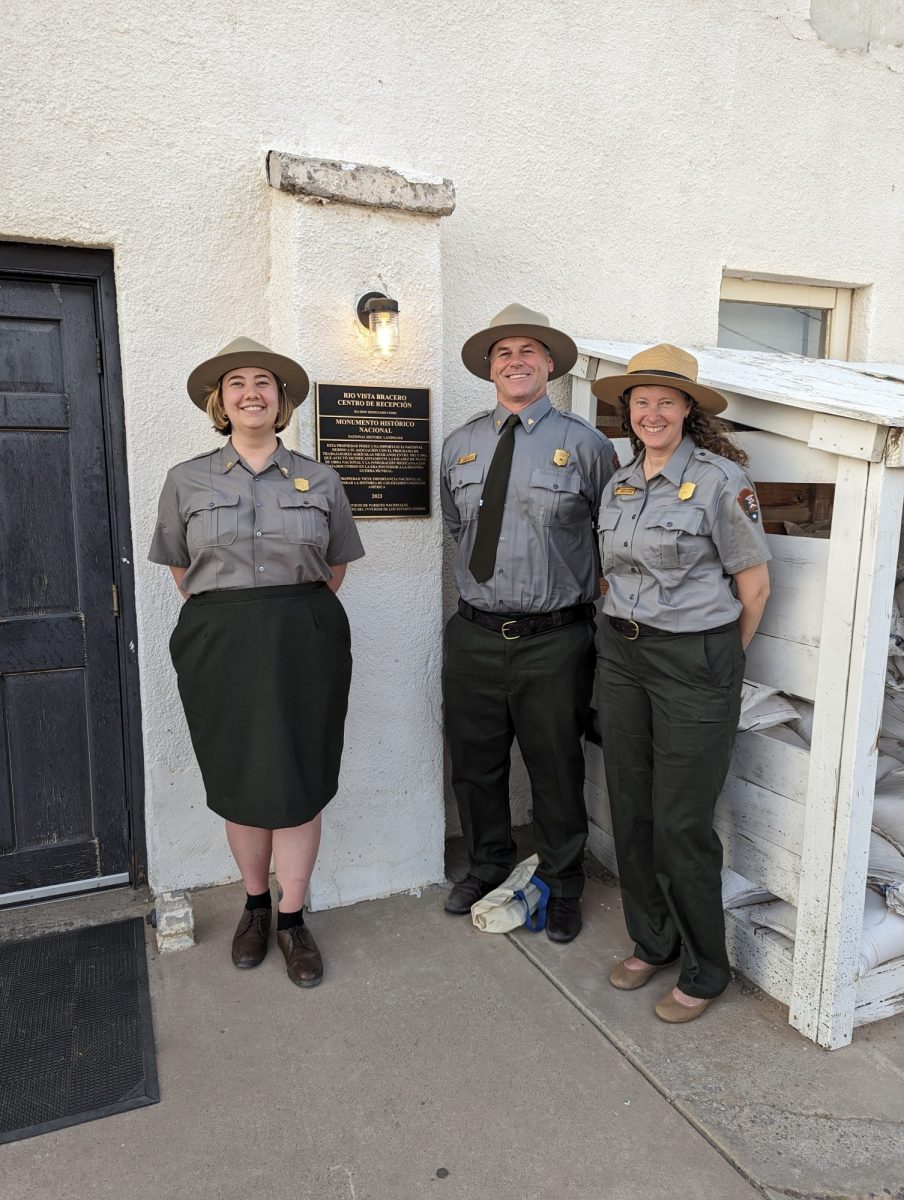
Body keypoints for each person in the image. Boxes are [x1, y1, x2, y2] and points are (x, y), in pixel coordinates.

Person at [149, 336, 364, 988]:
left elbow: (334, 567)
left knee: (299, 777)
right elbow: (182, 570)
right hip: (222, 642)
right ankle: (255, 905)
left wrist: (285, 615)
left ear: (282, 400)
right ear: (220, 401)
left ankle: (293, 918)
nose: (251, 393)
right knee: (241, 775)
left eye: (264, 383)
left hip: (305, 637)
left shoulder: (320, 478)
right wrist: (237, 618)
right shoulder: (187, 479)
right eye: (237, 383)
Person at [591, 343, 771, 1022]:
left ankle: (705, 968)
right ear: (628, 410)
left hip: (695, 662)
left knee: (682, 822)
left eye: (667, 400)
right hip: (622, 656)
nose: (653, 412)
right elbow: (613, 575)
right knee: (630, 805)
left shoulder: (723, 481)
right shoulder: (621, 483)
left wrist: (715, 661)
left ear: (688, 409)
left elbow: (754, 589)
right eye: (642, 401)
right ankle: (653, 938)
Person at [440, 304, 618, 942]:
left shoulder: (588, 446)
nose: (515, 362)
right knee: (475, 763)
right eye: (502, 354)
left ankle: (562, 883)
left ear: (549, 365)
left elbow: (612, 536)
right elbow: (461, 530)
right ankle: (487, 865)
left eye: (527, 352)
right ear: (491, 369)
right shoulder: (459, 445)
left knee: (555, 767)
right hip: (474, 634)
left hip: (556, 639)